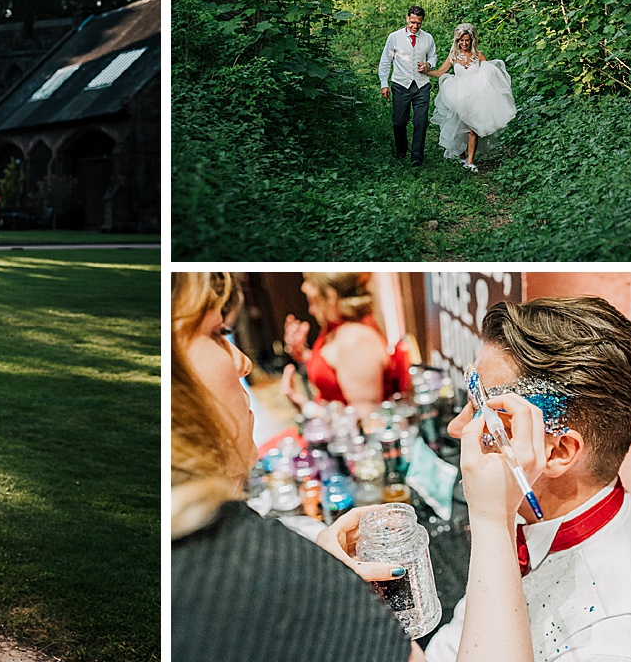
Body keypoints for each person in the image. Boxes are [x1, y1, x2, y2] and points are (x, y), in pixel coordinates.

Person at [172, 272, 537, 661]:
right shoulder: (255, 570)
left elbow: (364, 419)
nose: (243, 361)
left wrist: (319, 568)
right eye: (218, 333)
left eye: (224, 331)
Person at [421, 296, 631, 661]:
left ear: (557, 452)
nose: (455, 427)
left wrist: (490, 523)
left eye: (486, 416)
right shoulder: (529, 517)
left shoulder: (621, 647)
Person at [281, 272, 409, 411]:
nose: (311, 310)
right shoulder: (336, 328)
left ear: (331, 297)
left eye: (313, 301)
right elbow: (336, 368)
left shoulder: (355, 341)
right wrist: (306, 356)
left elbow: (366, 420)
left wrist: (305, 408)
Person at [424, 23, 516, 172]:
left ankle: (470, 161)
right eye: (461, 40)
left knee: (472, 129)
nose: (464, 43)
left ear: (472, 40)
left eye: (467, 40)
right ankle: (461, 156)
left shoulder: (478, 56)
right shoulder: (453, 56)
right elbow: (440, 72)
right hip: (457, 95)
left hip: (475, 96)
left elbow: (490, 74)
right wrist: (426, 72)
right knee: (457, 126)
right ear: (457, 41)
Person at [378, 5, 438, 165]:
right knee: (399, 122)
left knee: (421, 121)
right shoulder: (394, 37)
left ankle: (417, 157)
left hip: (421, 86)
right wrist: (384, 84)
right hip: (400, 84)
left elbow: (433, 57)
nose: (415, 26)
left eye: (419, 23)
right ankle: (401, 151)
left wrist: (428, 65)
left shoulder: (428, 38)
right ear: (407, 19)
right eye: (412, 22)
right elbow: (385, 61)